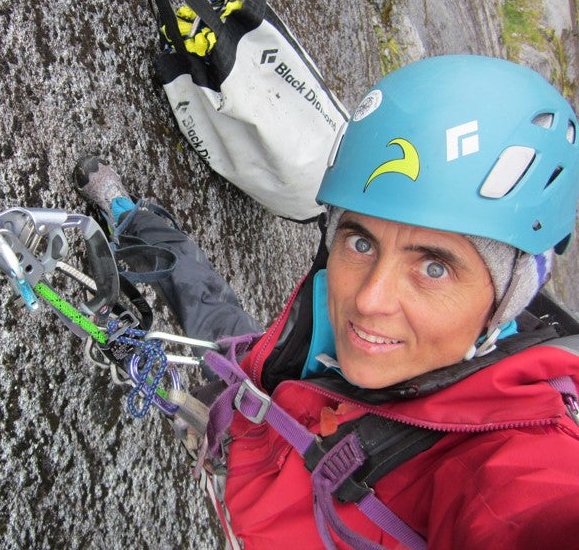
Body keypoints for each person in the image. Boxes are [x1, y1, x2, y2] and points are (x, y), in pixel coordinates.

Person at [74, 55, 579, 549]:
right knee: (207, 307)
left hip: (261, 437)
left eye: (434, 267)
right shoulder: (340, 332)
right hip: (263, 402)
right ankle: (130, 218)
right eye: (360, 242)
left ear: (506, 302)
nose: (369, 300)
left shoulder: (513, 458)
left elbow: (536, 513)